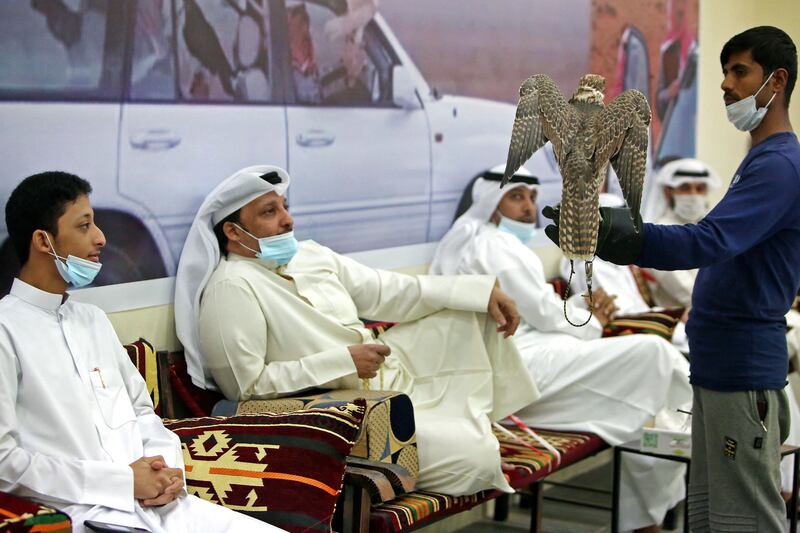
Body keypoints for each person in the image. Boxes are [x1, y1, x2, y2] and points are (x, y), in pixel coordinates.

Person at [543, 26, 799, 531]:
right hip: (721, 368)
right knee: (709, 517)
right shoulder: (762, 161)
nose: (726, 84)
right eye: (725, 71)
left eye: (739, 71)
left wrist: (625, 237)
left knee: (743, 520)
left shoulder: (779, 166)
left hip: (743, 370)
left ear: (778, 80)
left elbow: (708, 241)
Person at [173, 165, 539, 496]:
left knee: (473, 312)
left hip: (387, 373)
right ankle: (470, 434)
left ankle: (473, 422)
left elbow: (391, 292)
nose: (287, 221)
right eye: (270, 212)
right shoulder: (231, 287)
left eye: (284, 207)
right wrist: (342, 362)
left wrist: (480, 291)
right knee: (473, 458)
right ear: (234, 232)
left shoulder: (310, 254)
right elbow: (244, 387)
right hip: (346, 412)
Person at [0, 172, 284, 533]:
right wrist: (120, 482)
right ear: (43, 240)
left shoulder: (92, 320)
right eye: (84, 225)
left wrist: (167, 473)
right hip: (87, 516)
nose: (101, 237)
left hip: (163, 507)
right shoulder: (5, 330)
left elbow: (141, 412)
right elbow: (4, 462)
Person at [429, 165, 692, 533]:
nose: (528, 207)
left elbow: (543, 314)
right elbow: (542, 311)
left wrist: (585, 316)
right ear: (490, 202)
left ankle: (646, 517)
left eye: (533, 198)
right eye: (516, 197)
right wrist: (593, 319)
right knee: (653, 356)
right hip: (510, 366)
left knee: (644, 393)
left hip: (528, 354)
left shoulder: (496, 242)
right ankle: (699, 457)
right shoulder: (489, 244)